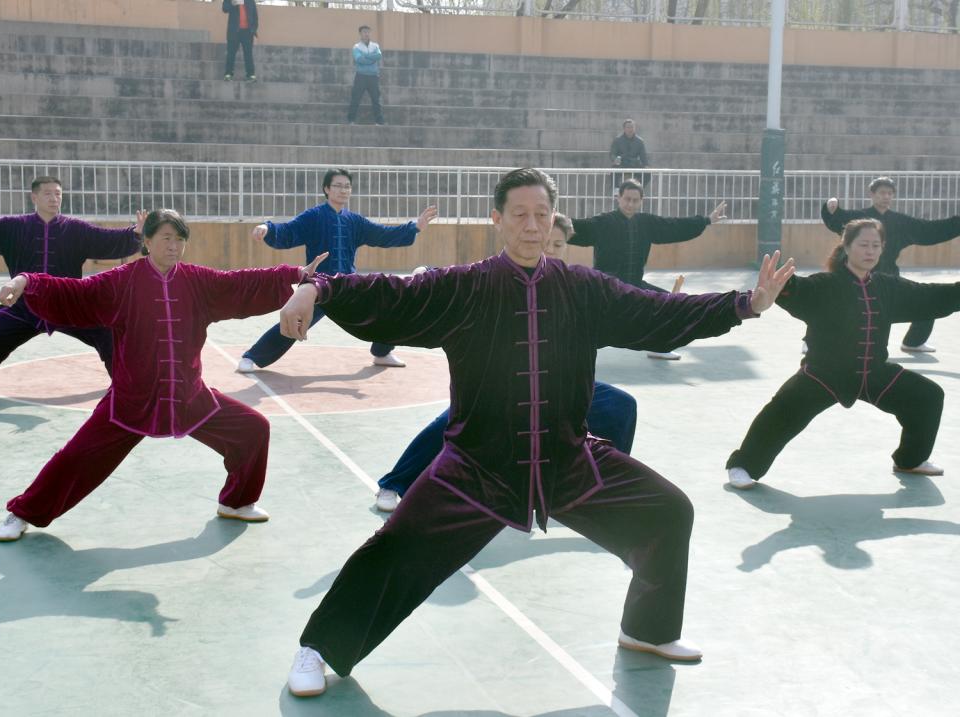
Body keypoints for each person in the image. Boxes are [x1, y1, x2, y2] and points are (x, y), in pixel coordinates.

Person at [279, 168, 795, 696]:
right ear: (497, 219)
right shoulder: (465, 286)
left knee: (668, 512)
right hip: (476, 468)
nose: (532, 225)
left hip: (567, 461)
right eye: (520, 214)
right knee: (393, 549)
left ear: (553, 219)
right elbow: (393, 294)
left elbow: (656, 312)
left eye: (541, 214)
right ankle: (318, 648)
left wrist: (744, 304)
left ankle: (648, 631)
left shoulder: (582, 288)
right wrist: (317, 288)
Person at [0, 209, 324, 542]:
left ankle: (237, 502)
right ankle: (23, 513)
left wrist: (293, 275)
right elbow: (76, 292)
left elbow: (239, 283)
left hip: (188, 396)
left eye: (179, 239)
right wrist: (26, 281)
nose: (174, 246)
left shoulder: (198, 281)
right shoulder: (121, 281)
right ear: (147, 241)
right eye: (166, 238)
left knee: (253, 430)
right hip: (132, 400)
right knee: (77, 458)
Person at [373, 214, 638, 513]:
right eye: (547, 243)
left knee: (620, 406)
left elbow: (617, 308)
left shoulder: (572, 284)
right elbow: (464, 282)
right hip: (500, 384)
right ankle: (394, 483)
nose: (551, 250)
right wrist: (427, 274)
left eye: (558, 244)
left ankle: (603, 486)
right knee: (452, 423)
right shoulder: (506, 274)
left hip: (556, 386)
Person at [726, 218, 959, 491]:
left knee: (928, 397)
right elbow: (797, 290)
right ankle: (742, 465)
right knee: (781, 412)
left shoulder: (888, 287)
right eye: (863, 244)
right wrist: (780, 287)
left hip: (874, 374)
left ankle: (910, 460)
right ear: (846, 246)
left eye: (876, 245)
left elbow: (929, 296)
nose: (870, 251)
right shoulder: (825, 285)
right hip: (823, 375)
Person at [0, 176, 144, 396]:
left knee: (110, 334)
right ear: (34, 197)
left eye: (58, 194)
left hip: (70, 304)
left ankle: (126, 382)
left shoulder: (76, 230)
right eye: (48, 194)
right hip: (24, 306)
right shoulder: (13, 227)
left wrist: (135, 234)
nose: (54, 199)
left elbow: (108, 239)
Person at [238, 168, 436, 372]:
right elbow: (288, 231)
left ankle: (382, 352)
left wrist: (415, 227)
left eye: (347, 186)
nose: (343, 190)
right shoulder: (313, 216)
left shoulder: (355, 221)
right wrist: (267, 228)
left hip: (348, 286)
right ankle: (251, 357)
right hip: (317, 286)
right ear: (326, 189)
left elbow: (383, 234)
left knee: (385, 307)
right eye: (338, 186)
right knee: (293, 322)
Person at [568, 178, 728, 360]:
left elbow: (674, 226)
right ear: (618, 198)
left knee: (671, 306)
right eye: (627, 199)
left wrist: (706, 220)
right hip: (605, 288)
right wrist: (550, 219)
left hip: (635, 286)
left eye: (635, 200)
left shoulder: (647, 223)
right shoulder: (603, 222)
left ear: (641, 201)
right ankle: (573, 351)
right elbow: (576, 227)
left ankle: (660, 347)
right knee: (585, 319)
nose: (630, 204)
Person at [822, 176, 960, 353]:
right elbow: (837, 219)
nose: (886, 196)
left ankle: (913, 342)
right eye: (881, 193)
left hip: (889, 280)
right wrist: (830, 210)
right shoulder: (858, 219)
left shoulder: (901, 222)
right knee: (833, 305)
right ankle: (813, 340)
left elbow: (929, 230)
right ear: (872, 194)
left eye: (889, 193)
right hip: (857, 279)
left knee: (925, 301)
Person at [347, 25, 385, 125]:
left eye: (368, 32)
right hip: (361, 76)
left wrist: (366, 56)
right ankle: (351, 120)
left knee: (376, 100)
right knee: (355, 99)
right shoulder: (356, 47)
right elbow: (359, 59)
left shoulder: (375, 46)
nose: (366, 34)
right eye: (364, 32)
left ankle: (379, 121)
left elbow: (378, 56)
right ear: (360, 33)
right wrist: (371, 59)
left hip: (373, 76)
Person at [222, 0, 259, 83]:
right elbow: (224, 9)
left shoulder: (250, 1)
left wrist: (253, 30)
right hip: (234, 31)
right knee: (231, 53)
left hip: (247, 32)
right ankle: (228, 74)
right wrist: (233, 3)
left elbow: (255, 16)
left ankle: (251, 75)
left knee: (248, 54)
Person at [609, 118, 650, 189]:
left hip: (634, 164)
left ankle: (638, 189)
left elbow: (643, 156)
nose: (630, 129)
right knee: (613, 171)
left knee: (647, 174)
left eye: (632, 127)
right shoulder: (617, 140)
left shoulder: (640, 141)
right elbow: (612, 153)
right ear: (624, 129)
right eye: (628, 127)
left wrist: (646, 165)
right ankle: (616, 190)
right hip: (622, 164)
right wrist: (615, 159)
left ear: (635, 128)